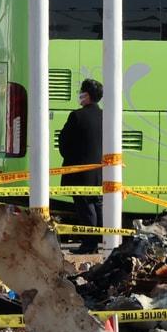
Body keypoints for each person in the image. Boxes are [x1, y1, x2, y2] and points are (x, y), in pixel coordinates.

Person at [58, 78, 104, 253]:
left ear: (87, 95)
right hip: (99, 171)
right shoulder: (105, 116)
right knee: (97, 204)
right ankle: (103, 240)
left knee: (85, 207)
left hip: (79, 172)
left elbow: (64, 141)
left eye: (82, 92)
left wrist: (70, 158)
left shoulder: (76, 115)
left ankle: (89, 244)